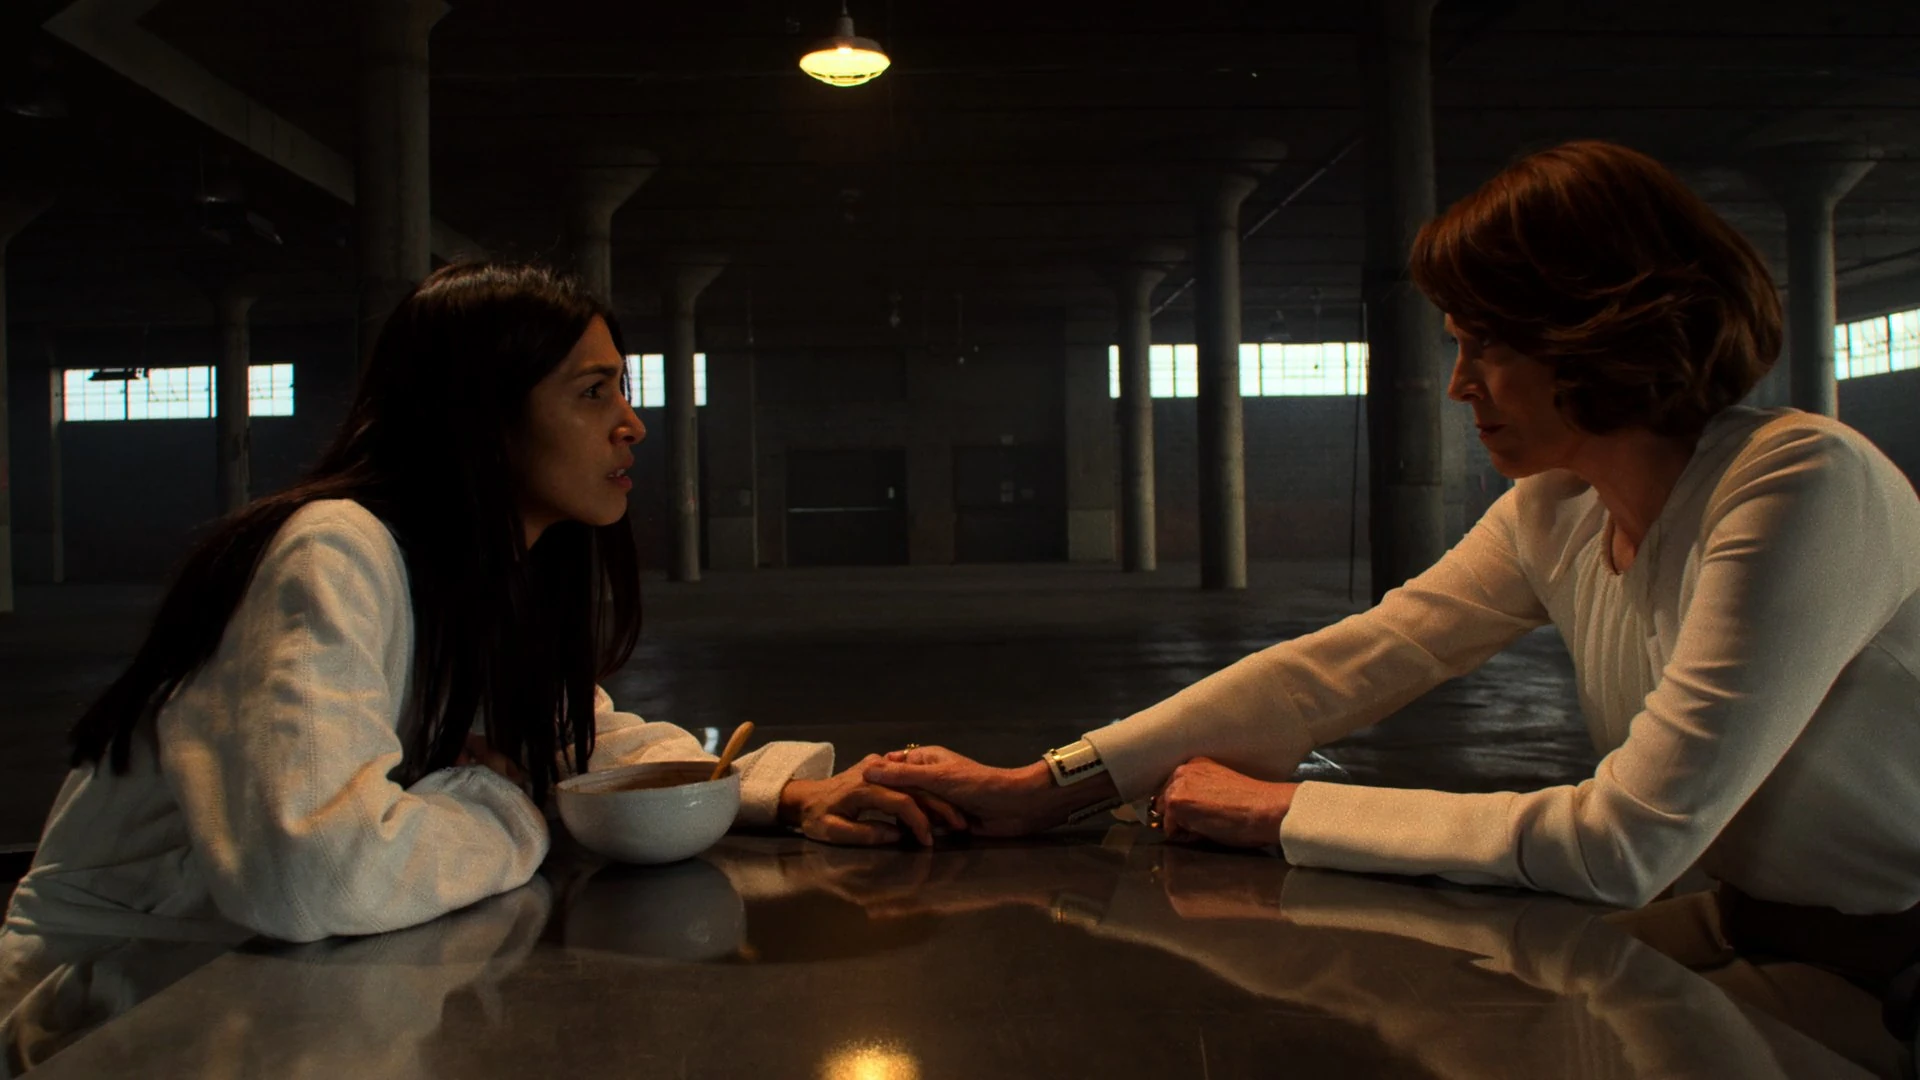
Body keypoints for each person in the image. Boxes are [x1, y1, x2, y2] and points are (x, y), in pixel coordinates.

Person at [868, 141, 1920, 932]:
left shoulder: (1798, 483)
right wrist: (1045, 786)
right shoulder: (1559, 507)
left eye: (1489, 346)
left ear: (1603, 329)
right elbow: (1341, 667)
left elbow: (1623, 844)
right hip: (1750, 920)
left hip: (1889, 968)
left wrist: (1281, 811)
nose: (1458, 386)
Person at [5, 262, 957, 946]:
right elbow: (312, 874)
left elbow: (583, 740)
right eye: (594, 392)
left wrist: (784, 795)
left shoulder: (486, 568)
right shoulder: (335, 550)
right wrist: (507, 801)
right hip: (116, 1010)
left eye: (622, 390)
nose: (632, 423)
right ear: (481, 416)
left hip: (242, 984)